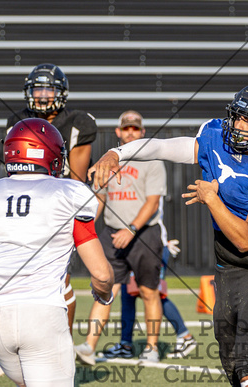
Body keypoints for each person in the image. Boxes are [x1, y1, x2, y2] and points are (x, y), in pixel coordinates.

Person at [89, 82, 248, 386]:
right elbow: (162, 148)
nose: (240, 126)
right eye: (239, 116)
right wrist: (116, 153)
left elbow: (247, 239)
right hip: (227, 266)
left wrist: (213, 199)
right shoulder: (215, 135)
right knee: (234, 368)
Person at [0, 118, 113, 387]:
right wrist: (104, 296)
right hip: (42, 314)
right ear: (51, 154)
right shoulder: (69, 192)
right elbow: (102, 275)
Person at [6, 63, 97, 343]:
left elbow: (76, 180)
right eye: (37, 88)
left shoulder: (79, 123)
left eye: (48, 88)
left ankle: (63, 344)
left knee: (58, 278)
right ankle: (21, 343)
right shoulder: (17, 120)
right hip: (25, 203)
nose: (42, 95)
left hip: (58, 205)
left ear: (60, 92)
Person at [75, 110, 166, 365]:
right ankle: (89, 347)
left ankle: (151, 348)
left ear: (142, 132)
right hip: (112, 234)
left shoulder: (152, 159)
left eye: (135, 129)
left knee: (149, 292)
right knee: (104, 289)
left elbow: (152, 203)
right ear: (118, 132)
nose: (130, 133)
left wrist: (131, 229)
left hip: (144, 234)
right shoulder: (109, 160)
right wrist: (86, 227)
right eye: (126, 128)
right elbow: (100, 198)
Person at [99, 216, 197, 360]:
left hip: (148, 243)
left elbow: (151, 207)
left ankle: (185, 335)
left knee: (152, 293)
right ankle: (125, 344)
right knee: (128, 293)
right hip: (131, 244)